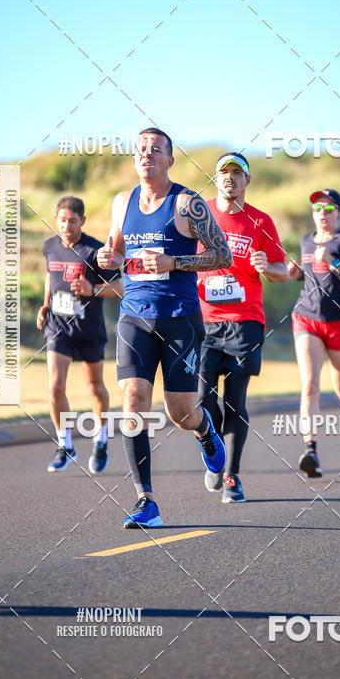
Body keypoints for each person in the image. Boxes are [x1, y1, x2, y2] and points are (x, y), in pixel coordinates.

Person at [97, 127, 233, 529]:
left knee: (180, 414)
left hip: (180, 319)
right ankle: (146, 501)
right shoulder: (122, 202)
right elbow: (116, 248)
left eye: (156, 150)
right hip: (134, 315)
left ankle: (206, 430)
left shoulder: (187, 203)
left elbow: (222, 253)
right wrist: (109, 255)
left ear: (169, 160)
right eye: (141, 149)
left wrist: (173, 263)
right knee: (134, 400)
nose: (147, 155)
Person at [196, 153, 288, 502]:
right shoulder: (198, 213)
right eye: (224, 173)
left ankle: (231, 476)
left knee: (235, 401)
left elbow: (282, 271)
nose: (230, 178)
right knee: (201, 399)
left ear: (248, 180)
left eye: (237, 173)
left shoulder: (260, 221)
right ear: (216, 178)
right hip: (203, 320)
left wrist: (267, 266)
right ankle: (213, 450)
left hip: (244, 322)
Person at [288, 189, 340, 476]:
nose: (322, 214)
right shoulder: (306, 241)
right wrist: (297, 271)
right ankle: (310, 450)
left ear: (339, 213)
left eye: (328, 209)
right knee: (310, 384)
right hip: (307, 318)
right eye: (317, 209)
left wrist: (334, 262)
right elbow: (311, 276)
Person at [37, 196, 122, 474]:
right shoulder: (49, 246)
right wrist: (46, 303)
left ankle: (100, 439)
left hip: (89, 329)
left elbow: (121, 286)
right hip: (58, 326)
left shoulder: (95, 250)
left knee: (95, 387)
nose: (66, 226)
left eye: (72, 221)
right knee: (54, 387)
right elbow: (51, 275)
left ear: (82, 221)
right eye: (61, 220)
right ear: (56, 219)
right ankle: (65, 445)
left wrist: (93, 290)